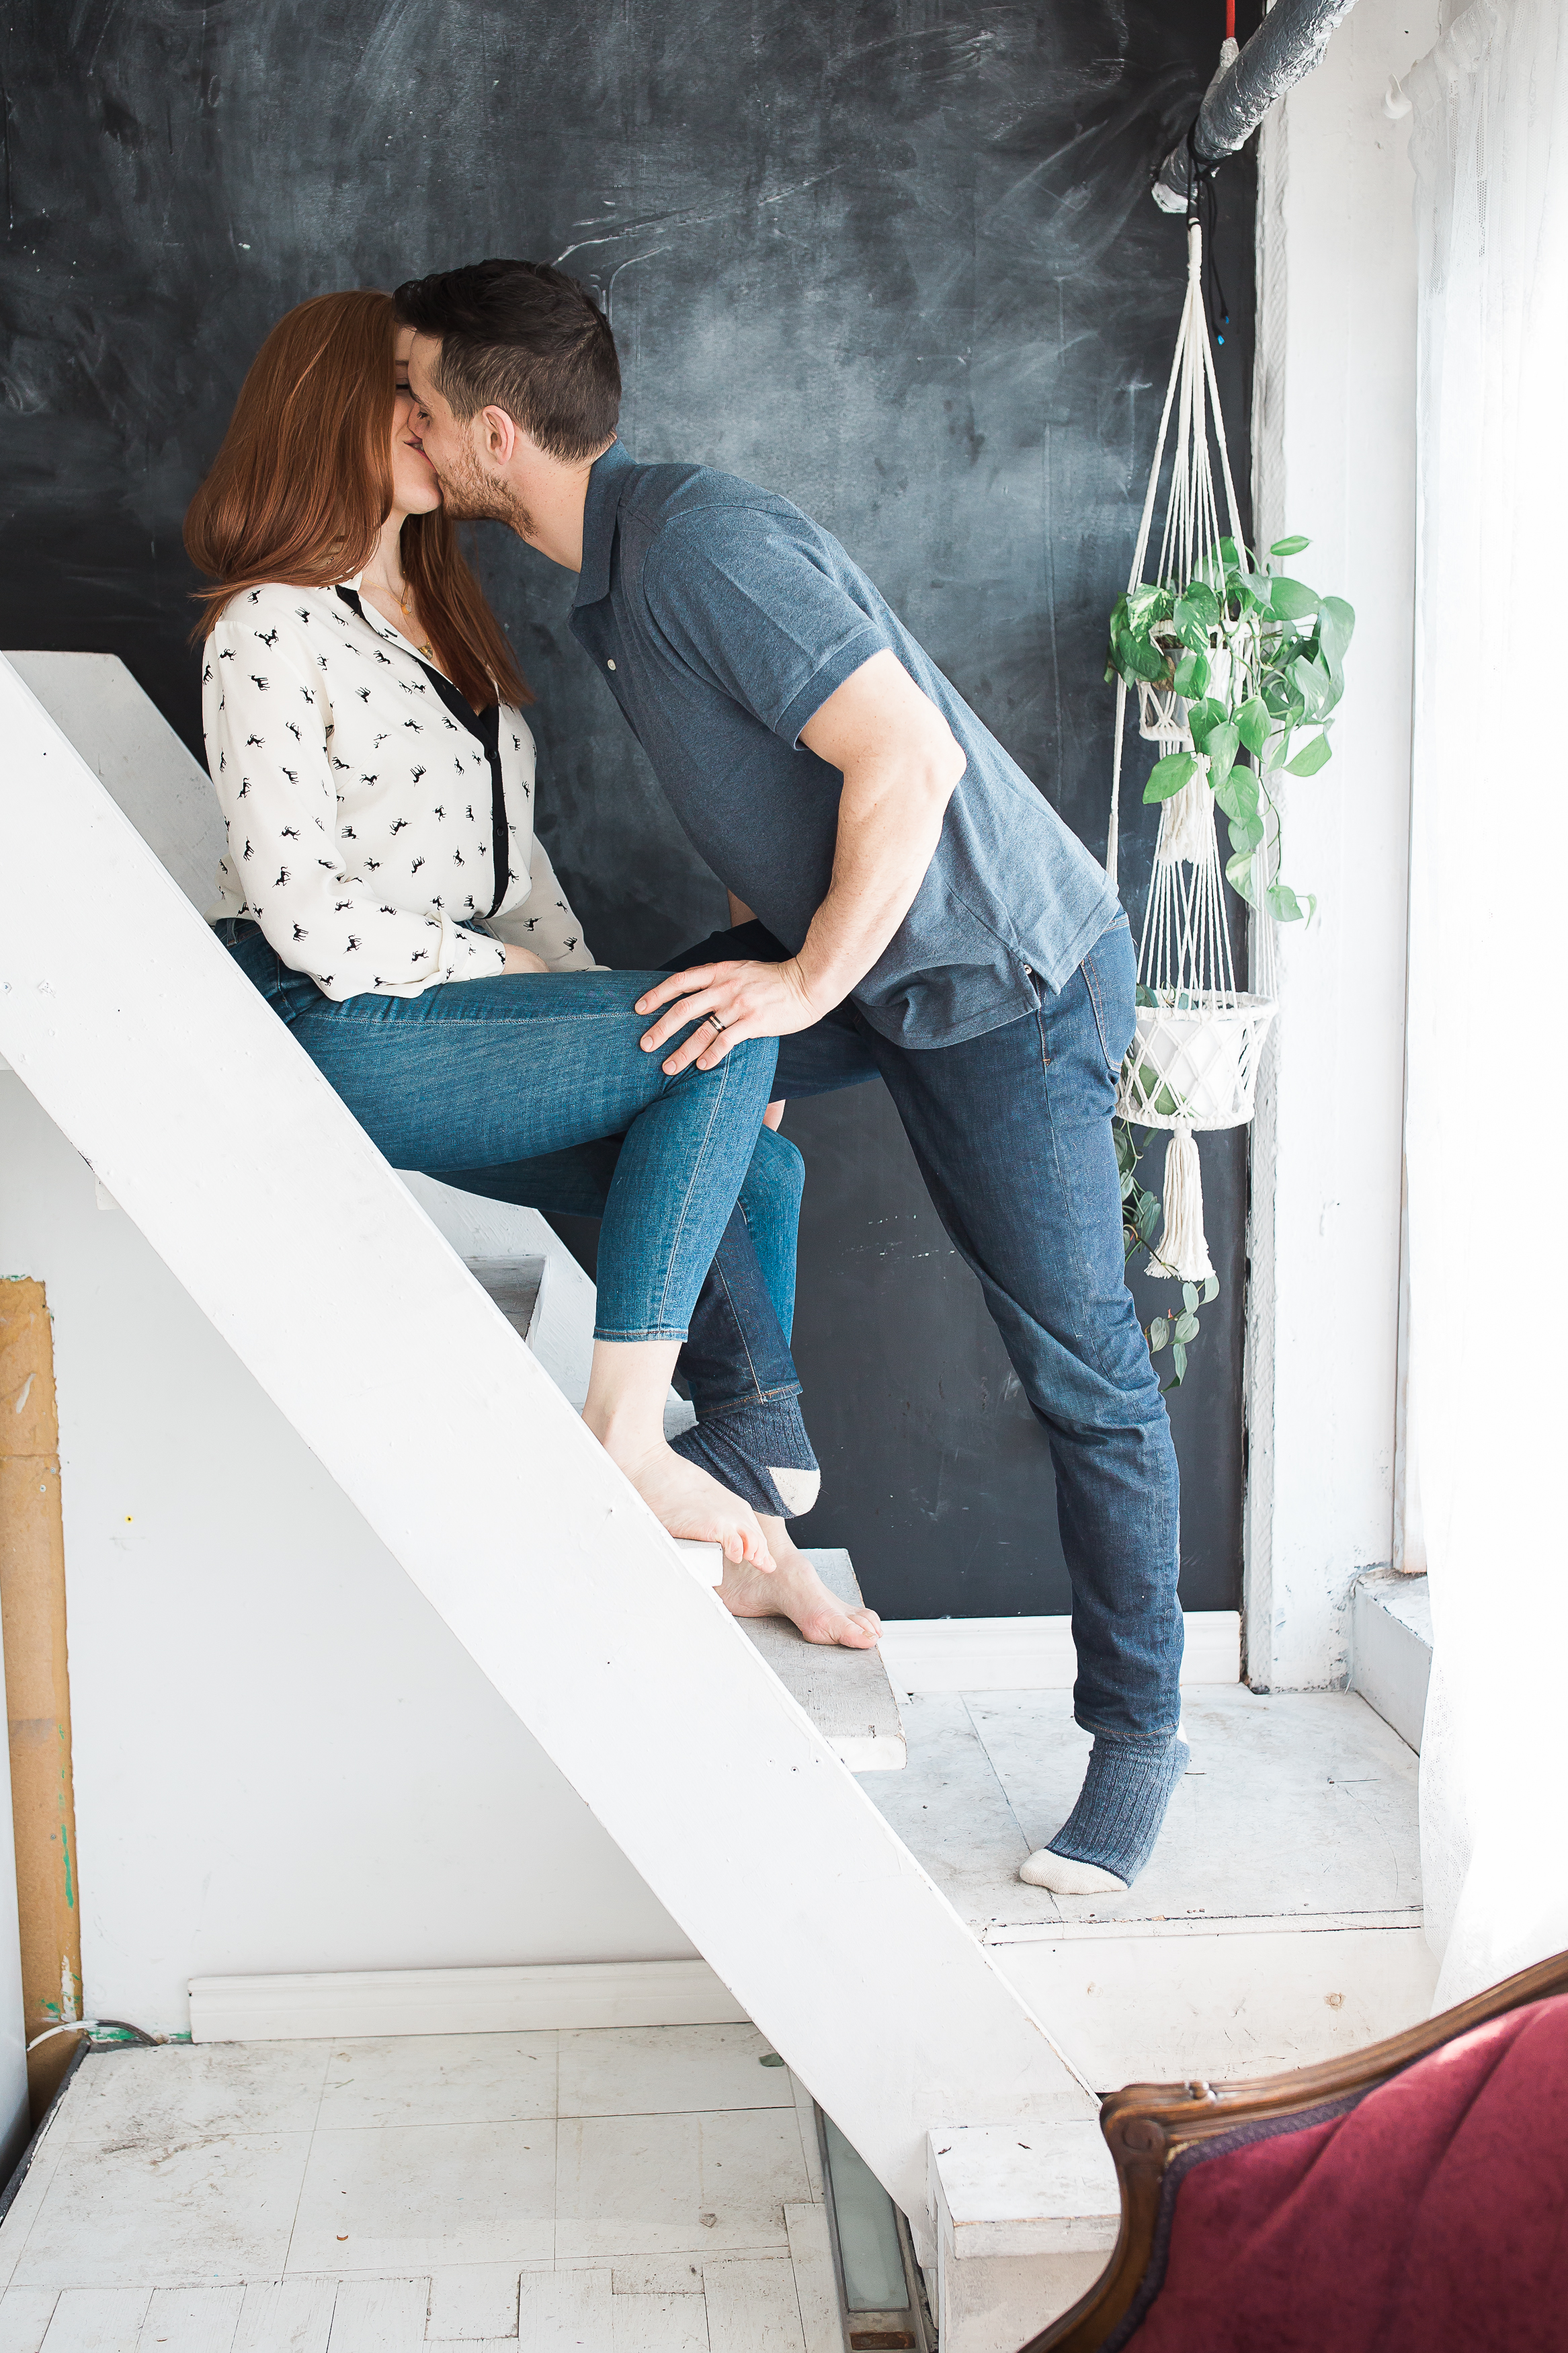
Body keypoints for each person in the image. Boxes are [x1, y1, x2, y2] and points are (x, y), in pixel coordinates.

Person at [392, 258, 1190, 1894]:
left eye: (412, 398)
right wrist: (760, 979)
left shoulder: (697, 544)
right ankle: (756, 1428)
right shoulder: (617, 588)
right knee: (665, 1051)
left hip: (995, 985)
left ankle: (1140, 1740)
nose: (393, 425)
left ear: (485, 433)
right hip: (874, 959)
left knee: (1085, 1369)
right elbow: (791, 805)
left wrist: (803, 982)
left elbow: (911, 755)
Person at [180, 285, 852, 1605]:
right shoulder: (266, 625)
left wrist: (591, 1007)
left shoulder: (450, 631)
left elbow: (519, 882)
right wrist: (548, 991)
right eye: (400, 391)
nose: (427, 417)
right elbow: (305, 911)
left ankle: (749, 1507)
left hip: (458, 1022)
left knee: (751, 1163)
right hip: (330, 1024)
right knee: (716, 1023)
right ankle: (652, 1445)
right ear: (331, 407)